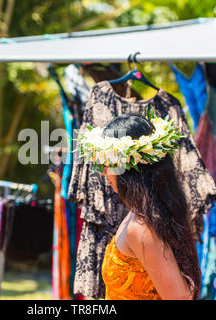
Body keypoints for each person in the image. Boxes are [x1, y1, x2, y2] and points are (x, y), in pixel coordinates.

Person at [75, 107, 201, 300]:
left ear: (130, 167)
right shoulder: (141, 215)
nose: (103, 172)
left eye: (106, 162)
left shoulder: (142, 229)